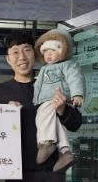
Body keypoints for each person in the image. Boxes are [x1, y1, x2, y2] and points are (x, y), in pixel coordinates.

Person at [0, 31, 82, 182]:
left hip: (51, 172)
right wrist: (4, 115)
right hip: (15, 172)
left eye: (27, 50)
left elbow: (76, 123)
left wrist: (62, 109)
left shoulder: (53, 84)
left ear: (35, 54)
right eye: (15, 52)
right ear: (8, 59)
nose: (22, 57)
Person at [33, 29, 85, 173]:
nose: (48, 54)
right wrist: (35, 100)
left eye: (53, 50)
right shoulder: (45, 68)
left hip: (54, 97)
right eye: (45, 51)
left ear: (63, 51)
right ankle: (65, 152)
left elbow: (75, 78)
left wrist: (77, 94)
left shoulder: (68, 64)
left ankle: (47, 142)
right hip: (48, 99)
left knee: (42, 115)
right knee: (57, 123)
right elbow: (38, 86)